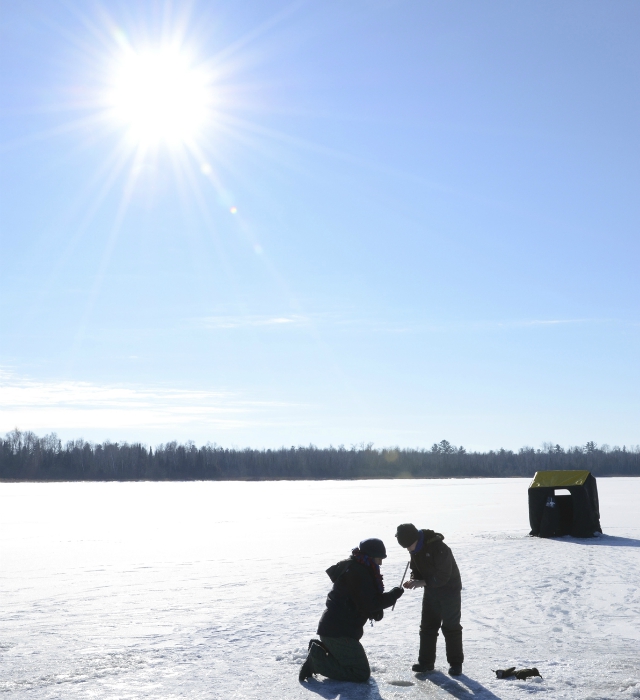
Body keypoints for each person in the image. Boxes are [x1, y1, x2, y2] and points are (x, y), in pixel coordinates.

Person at [299, 538, 404, 684]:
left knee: (353, 665)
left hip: (337, 630)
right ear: (370, 556)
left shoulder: (358, 567)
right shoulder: (358, 573)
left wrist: (377, 610)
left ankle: (322, 651)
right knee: (360, 673)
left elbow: (362, 601)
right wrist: (392, 596)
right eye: (379, 558)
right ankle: (316, 661)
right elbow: (369, 603)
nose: (380, 563)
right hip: (338, 633)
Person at [395, 522, 463, 676]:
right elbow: (415, 569)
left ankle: (455, 663)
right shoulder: (415, 549)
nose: (408, 549)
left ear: (416, 539)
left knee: (451, 627)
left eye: (409, 545)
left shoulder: (440, 548)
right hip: (432, 591)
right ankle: (426, 663)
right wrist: (414, 579)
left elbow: (444, 576)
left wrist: (422, 582)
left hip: (449, 591)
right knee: (427, 627)